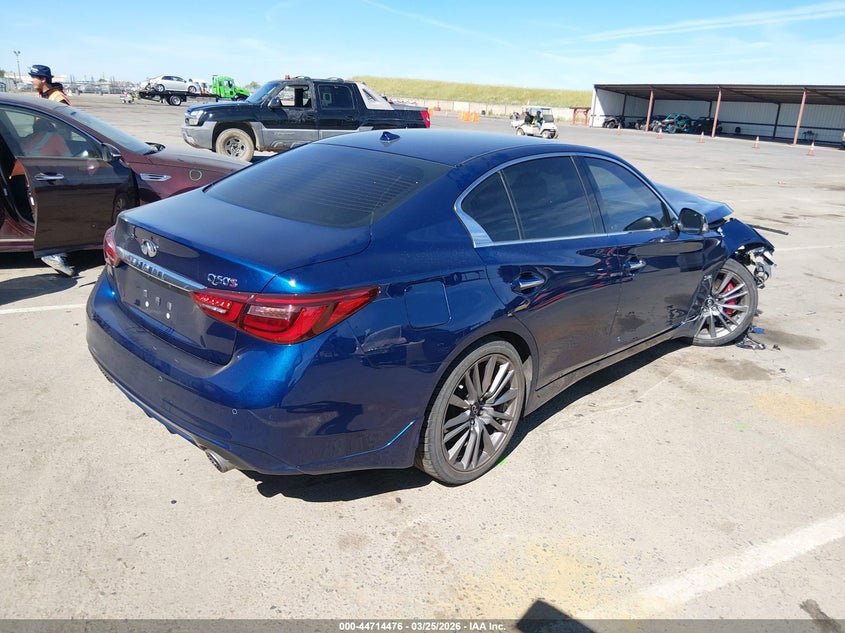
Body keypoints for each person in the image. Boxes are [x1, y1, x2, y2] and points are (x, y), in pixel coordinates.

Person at [27, 64, 74, 275]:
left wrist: (53, 143)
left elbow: (66, 125)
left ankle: (56, 249)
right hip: (45, 150)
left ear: (43, 78)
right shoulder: (42, 95)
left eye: (34, 77)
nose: (32, 80)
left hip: (54, 152)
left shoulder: (57, 98)